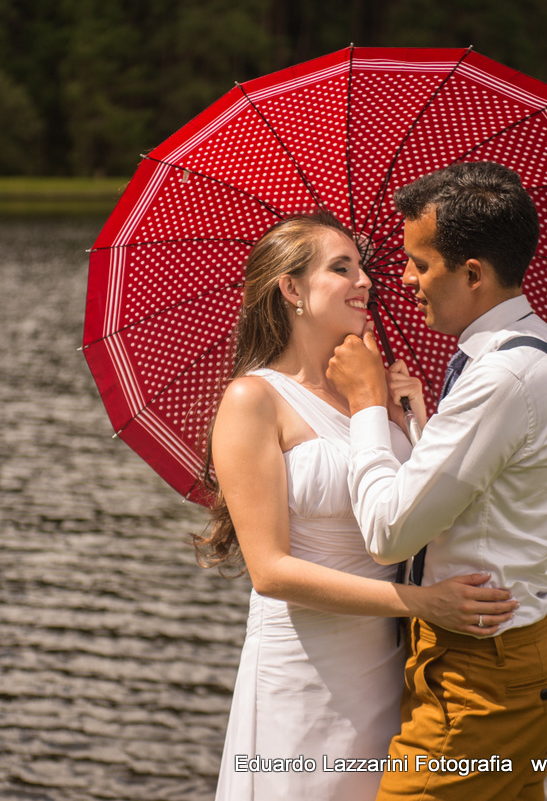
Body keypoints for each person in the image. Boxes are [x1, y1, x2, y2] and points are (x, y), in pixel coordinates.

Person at [193, 212, 518, 801]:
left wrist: (412, 417)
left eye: (362, 266)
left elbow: (423, 518)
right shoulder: (252, 399)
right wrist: (424, 604)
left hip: (389, 665)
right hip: (304, 668)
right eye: (341, 268)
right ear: (291, 288)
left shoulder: (376, 399)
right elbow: (270, 572)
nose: (364, 280)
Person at [327, 161, 547, 800]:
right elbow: (474, 498)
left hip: (482, 682)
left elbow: (389, 532)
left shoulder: (501, 379)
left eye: (419, 263)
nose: (404, 280)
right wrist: (418, 421)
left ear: (472, 274)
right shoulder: (533, 346)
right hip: (518, 656)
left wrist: (365, 405)